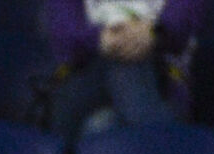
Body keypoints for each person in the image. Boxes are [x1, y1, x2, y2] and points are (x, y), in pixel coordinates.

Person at [43, 0, 204, 142]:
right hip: (84, 83)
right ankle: (167, 150)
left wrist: (154, 33)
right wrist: (101, 39)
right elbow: (63, 35)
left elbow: (181, 24)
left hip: (162, 84)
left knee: (101, 126)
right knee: (122, 60)